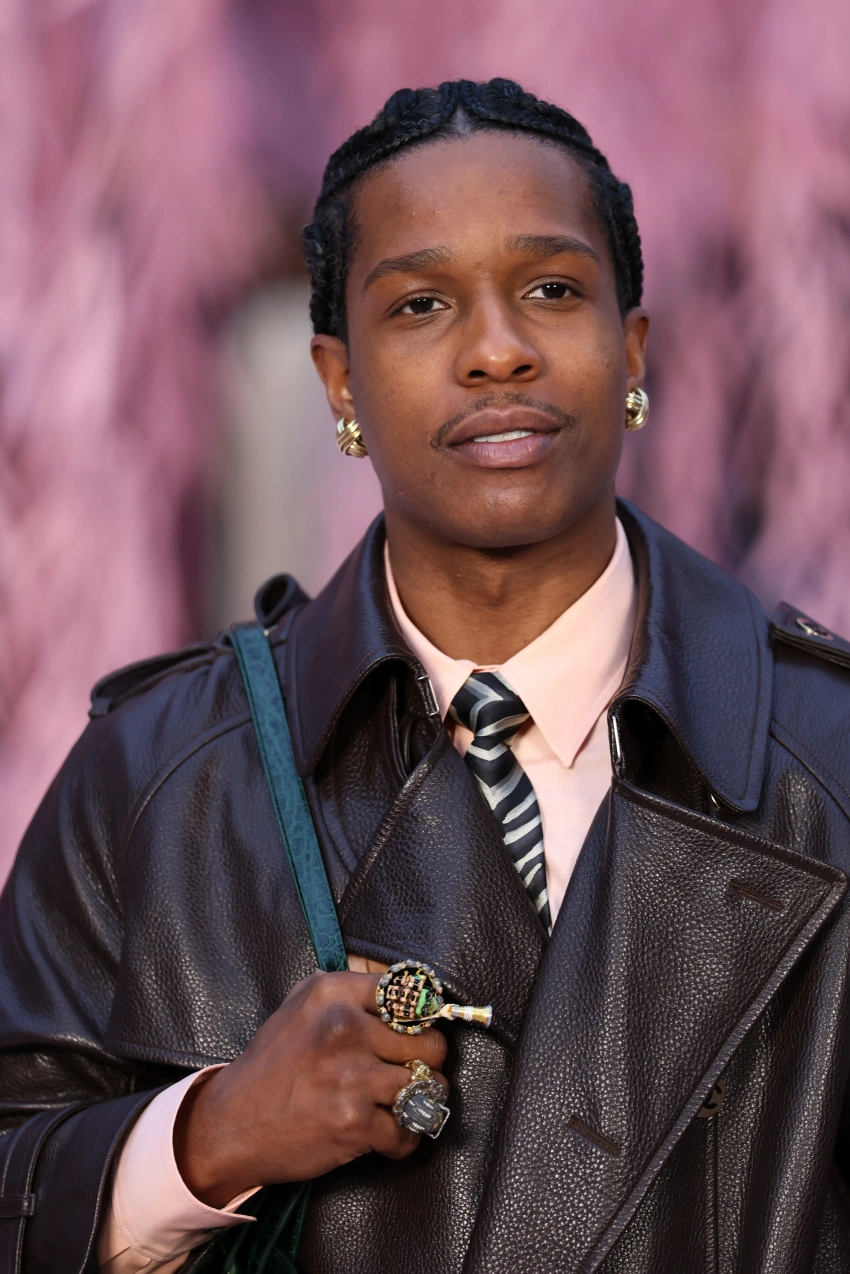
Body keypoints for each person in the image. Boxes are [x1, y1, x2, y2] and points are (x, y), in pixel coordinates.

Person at [1, 77, 849, 1274]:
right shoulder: (153, 777)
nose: (497, 350)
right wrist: (206, 1137)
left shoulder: (829, 756)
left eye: (551, 290)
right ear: (339, 381)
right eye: (421, 304)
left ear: (631, 348)